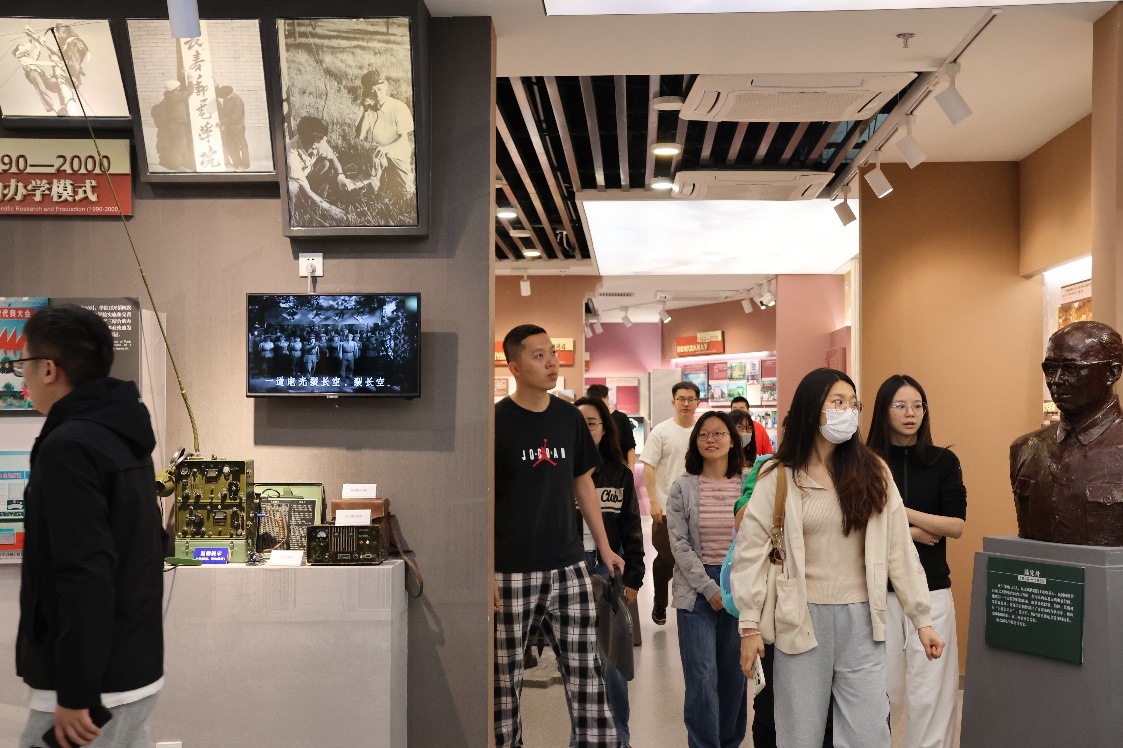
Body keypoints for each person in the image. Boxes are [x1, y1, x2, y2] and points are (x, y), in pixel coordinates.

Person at [731, 368, 943, 748]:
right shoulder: (779, 476)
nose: (848, 411)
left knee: (869, 733)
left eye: (853, 404)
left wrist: (921, 619)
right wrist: (749, 626)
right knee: (800, 732)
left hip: (862, 620)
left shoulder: (873, 471)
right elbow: (750, 555)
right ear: (813, 408)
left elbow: (898, 548)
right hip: (800, 617)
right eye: (838, 402)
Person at [14, 305, 164, 748]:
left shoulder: (69, 446)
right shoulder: (122, 434)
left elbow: (84, 573)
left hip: (92, 691)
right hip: (133, 669)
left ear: (48, 369)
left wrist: (76, 692)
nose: (21, 378)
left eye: (22, 364)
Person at [493, 324, 625, 748]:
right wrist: (484, 569)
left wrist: (604, 547)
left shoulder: (569, 417)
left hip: (569, 566)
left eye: (552, 353)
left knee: (587, 675)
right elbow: (483, 499)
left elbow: (583, 484)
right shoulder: (496, 421)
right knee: (503, 682)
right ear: (514, 367)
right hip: (508, 571)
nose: (551, 362)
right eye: (538, 356)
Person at [867, 375, 967, 748]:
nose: (911, 413)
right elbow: (856, 529)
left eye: (917, 406)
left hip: (932, 589)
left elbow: (955, 526)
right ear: (883, 411)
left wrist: (899, 512)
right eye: (900, 406)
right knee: (882, 693)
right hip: (879, 593)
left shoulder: (944, 461)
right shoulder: (865, 463)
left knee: (932, 694)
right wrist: (911, 532)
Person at [666, 411, 747, 748]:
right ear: (695, 442)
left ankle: (728, 742)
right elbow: (679, 544)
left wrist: (732, 585)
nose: (710, 440)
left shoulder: (748, 485)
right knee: (701, 677)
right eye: (703, 434)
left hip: (739, 587)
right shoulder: (682, 488)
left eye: (718, 433)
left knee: (733, 676)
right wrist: (710, 588)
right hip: (695, 590)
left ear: (732, 441)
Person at [573, 395, 645, 748]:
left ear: (604, 428)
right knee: (578, 664)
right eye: (579, 423)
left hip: (607, 570)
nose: (586, 429)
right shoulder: (558, 472)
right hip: (570, 570)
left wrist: (634, 577)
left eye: (592, 423)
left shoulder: (619, 474)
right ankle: (581, 739)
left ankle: (619, 739)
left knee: (612, 661)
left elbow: (632, 528)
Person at [1011, 321, 1123, 545]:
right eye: (1050, 369)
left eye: (1071, 369)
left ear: (1112, 372)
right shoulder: (1025, 449)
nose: (1056, 380)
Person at [640, 381, 700, 625]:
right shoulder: (661, 431)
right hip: (666, 508)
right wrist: (653, 502)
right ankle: (660, 602)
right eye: (681, 399)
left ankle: (691, 608)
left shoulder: (702, 431)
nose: (686, 403)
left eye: (690, 399)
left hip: (696, 507)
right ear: (673, 402)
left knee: (694, 559)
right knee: (666, 557)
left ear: (697, 402)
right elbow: (649, 467)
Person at [353, 69, 416, 203]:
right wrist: (366, 111)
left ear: (386, 85)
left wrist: (386, 148)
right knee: (373, 186)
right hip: (377, 151)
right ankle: (373, 193)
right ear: (367, 92)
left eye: (380, 89)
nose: (377, 94)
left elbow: (403, 139)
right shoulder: (367, 108)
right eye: (372, 91)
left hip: (398, 153)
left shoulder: (399, 107)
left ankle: (389, 175)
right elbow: (360, 136)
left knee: (405, 194)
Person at [287, 116, 348, 222]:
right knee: (292, 186)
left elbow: (332, 157)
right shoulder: (291, 154)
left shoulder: (311, 139)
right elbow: (306, 189)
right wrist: (330, 209)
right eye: (324, 138)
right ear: (314, 144)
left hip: (306, 173)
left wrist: (340, 175)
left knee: (325, 163)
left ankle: (320, 199)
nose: (326, 139)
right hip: (293, 181)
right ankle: (294, 213)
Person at [586, 383, 637, 468]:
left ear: (607, 398)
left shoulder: (621, 418)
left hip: (617, 467)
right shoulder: (587, 419)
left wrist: (631, 470)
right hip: (593, 467)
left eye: (600, 401)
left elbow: (630, 447)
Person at [151, 80, 193, 171]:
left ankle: (180, 163)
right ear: (176, 89)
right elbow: (190, 91)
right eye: (178, 87)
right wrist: (190, 80)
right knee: (179, 145)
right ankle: (176, 166)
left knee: (179, 145)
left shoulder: (169, 96)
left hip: (175, 126)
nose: (179, 88)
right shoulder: (175, 97)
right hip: (178, 126)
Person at [217, 85, 251, 170]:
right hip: (230, 127)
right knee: (233, 146)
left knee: (242, 146)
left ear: (230, 94)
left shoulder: (237, 102)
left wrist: (222, 122)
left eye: (225, 97)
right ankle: (237, 164)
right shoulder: (227, 98)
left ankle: (245, 165)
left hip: (237, 127)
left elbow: (236, 118)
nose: (224, 99)